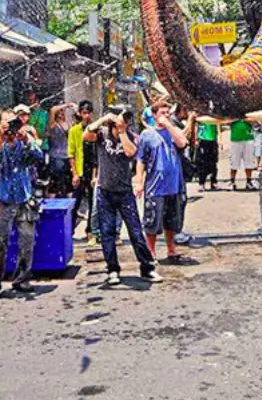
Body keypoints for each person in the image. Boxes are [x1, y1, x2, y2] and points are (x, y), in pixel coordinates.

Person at [85, 107, 160, 285]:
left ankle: (147, 268)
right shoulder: (102, 134)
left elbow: (130, 152)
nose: (124, 120)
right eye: (121, 117)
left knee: (135, 231)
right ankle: (112, 269)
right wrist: (104, 118)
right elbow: (86, 135)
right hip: (105, 191)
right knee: (107, 232)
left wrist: (122, 131)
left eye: (127, 117)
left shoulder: (132, 135)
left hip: (125, 192)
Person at [0, 109, 45, 301]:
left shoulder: (23, 140)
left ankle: (22, 278)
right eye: (6, 122)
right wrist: (1, 138)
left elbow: (38, 157)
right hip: (4, 199)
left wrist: (26, 138)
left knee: (26, 241)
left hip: (25, 198)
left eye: (13, 122)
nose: (11, 126)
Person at [136, 99, 193, 266]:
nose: (165, 115)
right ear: (154, 115)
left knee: (172, 220)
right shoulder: (147, 135)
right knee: (152, 220)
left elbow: (182, 142)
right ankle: (151, 252)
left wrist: (168, 125)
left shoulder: (173, 131)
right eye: (162, 113)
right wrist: (139, 181)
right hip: (155, 186)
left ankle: (171, 249)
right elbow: (141, 160)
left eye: (167, 113)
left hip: (174, 184)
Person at [68, 101, 96, 240]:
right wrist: (74, 174)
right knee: (76, 201)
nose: (86, 116)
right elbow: (71, 153)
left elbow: (98, 154)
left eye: (88, 113)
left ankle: (91, 230)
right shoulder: (74, 130)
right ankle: (70, 229)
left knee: (93, 201)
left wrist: (95, 175)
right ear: (80, 113)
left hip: (92, 169)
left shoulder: (95, 129)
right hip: (79, 170)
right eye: (84, 113)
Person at [46, 103, 76, 197]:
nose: (61, 113)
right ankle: (51, 207)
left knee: (68, 184)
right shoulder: (53, 124)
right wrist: (66, 105)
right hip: (56, 157)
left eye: (63, 111)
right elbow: (52, 110)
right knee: (55, 184)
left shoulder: (68, 123)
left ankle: (70, 208)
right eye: (60, 111)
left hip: (68, 156)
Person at [227, 119, 259, 191]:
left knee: (249, 162)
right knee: (234, 161)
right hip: (235, 139)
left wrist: (248, 120)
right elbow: (227, 122)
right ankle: (232, 182)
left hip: (248, 138)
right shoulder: (233, 113)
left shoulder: (248, 111)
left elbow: (255, 122)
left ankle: (249, 182)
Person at [194, 118, 220, 192]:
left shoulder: (214, 114)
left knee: (213, 163)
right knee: (202, 164)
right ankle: (201, 183)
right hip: (202, 139)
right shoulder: (201, 115)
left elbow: (218, 125)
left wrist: (220, 139)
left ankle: (214, 182)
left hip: (213, 140)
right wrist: (196, 139)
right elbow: (196, 126)